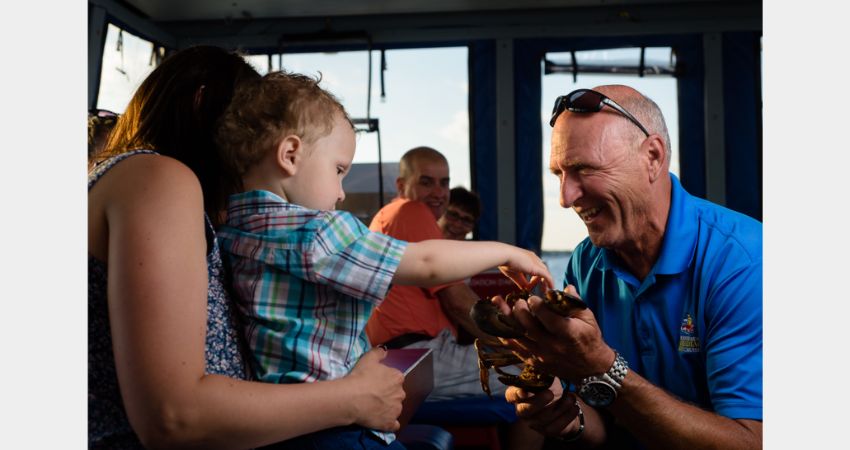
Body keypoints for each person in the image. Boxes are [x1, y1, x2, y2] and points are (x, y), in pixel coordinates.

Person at [89, 46, 414, 449]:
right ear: (202, 104)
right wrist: (354, 399)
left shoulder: (187, 205)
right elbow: (174, 417)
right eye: (249, 124)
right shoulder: (159, 178)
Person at [212, 71, 554, 449]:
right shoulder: (319, 233)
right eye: (339, 171)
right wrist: (509, 251)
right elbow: (426, 262)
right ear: (290, 155)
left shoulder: (228, 232)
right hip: (338, 424)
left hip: (281, 422)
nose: (342, 193)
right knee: (541, 375)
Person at [497, 85, 762, 449]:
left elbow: (753, 442)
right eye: (558, 173)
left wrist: (603, 367)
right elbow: (603, 421)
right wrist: (566, 413)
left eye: (583, 168)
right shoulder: (585, 262)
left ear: (652, 156)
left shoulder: (744, 260)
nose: (564, 197)